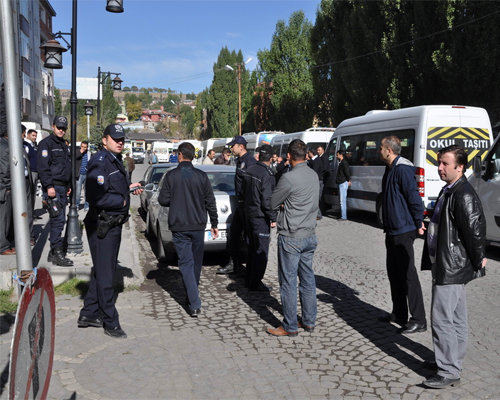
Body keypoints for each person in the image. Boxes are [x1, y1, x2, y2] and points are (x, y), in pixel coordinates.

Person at [421, 145, 487, 389]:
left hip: (451, 267)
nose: (439, 167)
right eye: (439, 162)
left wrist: (478, 259)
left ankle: (448, 370)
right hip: (447, 264)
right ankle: (450, 361)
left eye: (445, 164)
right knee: (456, 317)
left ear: (460, 167)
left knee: (442, 319)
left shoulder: (463, 194)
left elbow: (475, 231)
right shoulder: (450, 189)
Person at [78, 124, 143, 339]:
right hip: (102, 226)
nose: (120, 142)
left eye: (122, 138)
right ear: (104, 140)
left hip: (112, 224)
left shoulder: (113, 160)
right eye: (115, 138)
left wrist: (129, 187)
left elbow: (112, 187)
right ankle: (110, 322)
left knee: (102, 270)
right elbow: (96, 197)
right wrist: (123, 200)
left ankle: (88, 314)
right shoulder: (99, 161)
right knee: (107, 277)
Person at [158, 142, 218, 317]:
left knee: (185, 263)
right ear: (192, 156)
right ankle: (192, 297)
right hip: (198, 225)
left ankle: (193, 301)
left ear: (179, 155)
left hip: (179, 225)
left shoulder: (171, 176)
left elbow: (163, 200)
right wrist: (214, 224)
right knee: (195, 263)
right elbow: (210, 201)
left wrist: (176, 198)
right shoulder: (201, 175)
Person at [267, 139, 319, 337]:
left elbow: (273, 202)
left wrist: (284, 205)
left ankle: (289, 325)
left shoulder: (289, 178)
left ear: (288, 156)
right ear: (306, 155)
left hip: (292, 235)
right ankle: (309, 321)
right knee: (307, 279)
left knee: (288, 281)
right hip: (309, 234)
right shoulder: (313, 175)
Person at [378, 135, 426, 334]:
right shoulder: (389, 169)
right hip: (392, 230)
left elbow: (414, 198)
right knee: (394, 273)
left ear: (389, 150)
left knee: (408, 275)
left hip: (404, 230)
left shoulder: (403, 169)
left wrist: (418, 223)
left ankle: (419, 319)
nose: (378, 150)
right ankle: (399, 313)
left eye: (380, 147)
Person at [217, 135, 256, 275]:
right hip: (240, 204)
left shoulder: (250, 161)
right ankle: (234, 265)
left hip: (247, 204)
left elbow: (251, 184)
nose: (231, 148)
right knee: (234, 233)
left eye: (233, 146)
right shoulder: (239, 160)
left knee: (248, 237)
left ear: (241, 146)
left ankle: (251, 270)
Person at [37, 116, 74, 266]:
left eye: (63, 128)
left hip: (62, 187)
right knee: (58, 220)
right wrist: (49, 186)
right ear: (52, 126)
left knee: (59, 220)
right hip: (53, 187)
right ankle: (57, 252)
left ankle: (53, 253)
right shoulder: (46, 144)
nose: (61, 130)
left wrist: (68, 185)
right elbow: (43, 167)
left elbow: (65, 167)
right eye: (59, 127)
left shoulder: (63, 144)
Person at [243, 144, 277, 292]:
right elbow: (267, 200)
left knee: (251, 248)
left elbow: (243, 192)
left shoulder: (250, 170)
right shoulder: (266, 174)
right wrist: (273, 217)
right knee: (261, 250)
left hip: (248, 214)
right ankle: (255, 282)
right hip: (260, 216)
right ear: (270, 157)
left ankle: (249, 278)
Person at [0, 129, 14, 255]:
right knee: (4, 218)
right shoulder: (6, 147)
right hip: (4, 188)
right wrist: (9, 186)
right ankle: (3, 247)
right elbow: (5, 171)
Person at [21, 125, 35, 245]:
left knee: (28, 208)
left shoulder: (25, 146)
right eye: (23, 133)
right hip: (12, 184)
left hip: (26, 180)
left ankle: (29, 235)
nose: (24, 136)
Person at [307, 147, 324, 220]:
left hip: (318, 181)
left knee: (315, 198)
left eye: (308, 152)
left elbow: (314, 171)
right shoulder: (313, 160)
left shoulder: (316, 160)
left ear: (311, 152)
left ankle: (318, 214)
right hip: (317, 180)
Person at [335, 149, 351, 220]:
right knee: (342, 200)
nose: (336, 156)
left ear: (341, 155)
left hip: (343, 182)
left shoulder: (344, 163)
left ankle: (343, 216)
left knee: (342, 201)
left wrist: (348, 180)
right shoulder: (341, 162)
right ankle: (342, 215)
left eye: (337, 154)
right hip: (341, 182)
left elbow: (347, 172)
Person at [75, 141, 89, 210]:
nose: (83, 148)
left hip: (87, 174)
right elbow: (75, 158)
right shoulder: (77, 151)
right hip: (79, 174)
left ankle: (86, 205)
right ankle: (77, 205)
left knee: (87, 191)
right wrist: (80, 152)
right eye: (82, 146)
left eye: (85, 147)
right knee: (78, 191)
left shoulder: (88, 153)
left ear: (87, 148)